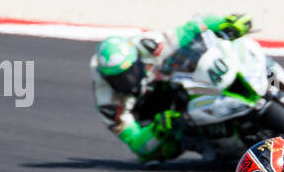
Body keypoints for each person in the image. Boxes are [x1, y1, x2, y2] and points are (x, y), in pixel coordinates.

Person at [90, 13, 253, 164]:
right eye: (118, 79)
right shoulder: (108, 102)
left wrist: (224, 23)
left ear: (137, 59)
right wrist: (156, 130)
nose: (128, 81)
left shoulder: (149, 45)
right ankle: (221, 146)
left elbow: (191, 29)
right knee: (166, 149)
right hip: (161, 117)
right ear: (106, 78)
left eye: (129, 73)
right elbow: (136, 143)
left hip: (175, 82)